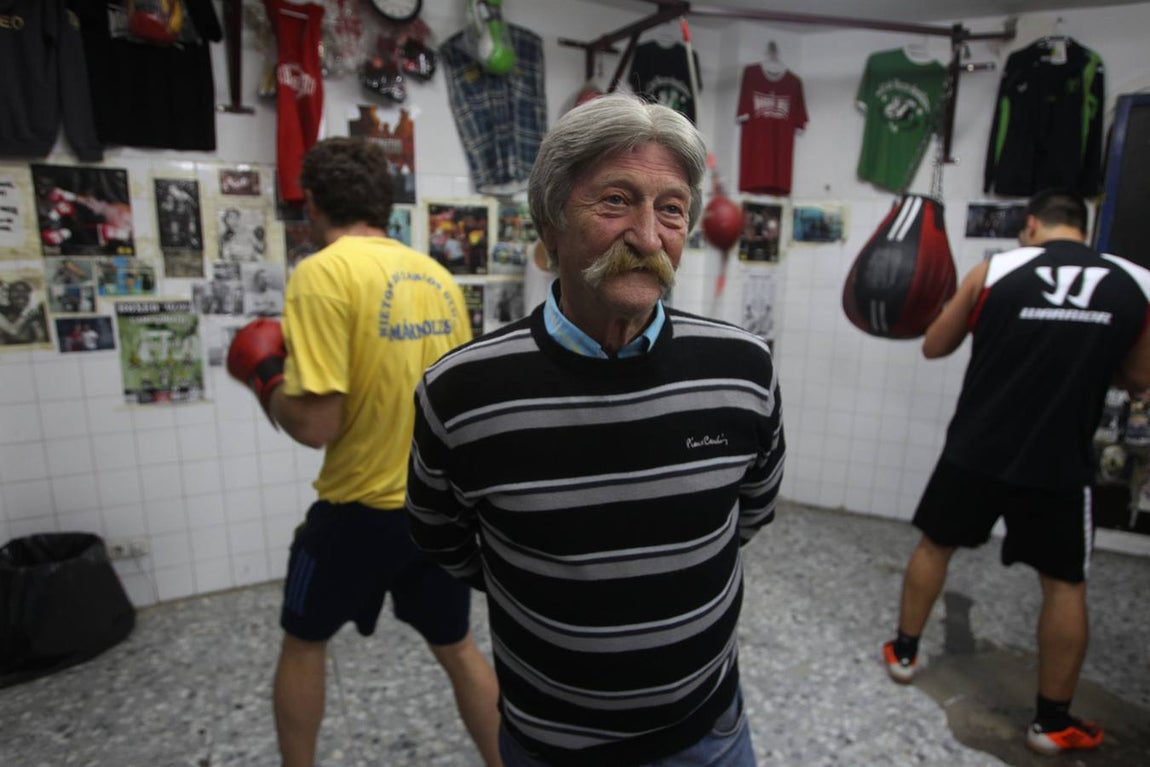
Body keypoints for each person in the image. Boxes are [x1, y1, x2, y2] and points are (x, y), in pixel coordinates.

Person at [405, 93, 786, 766]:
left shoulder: (744, 368)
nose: (648, 237)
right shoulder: (461, 391)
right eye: (616, 201)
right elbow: (444, 539)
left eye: (671, 209)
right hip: (552, 743)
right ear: (550, 226)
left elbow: (748, 513)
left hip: (708, 731)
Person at [225, 136, 502, 767]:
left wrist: (266, 381)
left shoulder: (322, 274)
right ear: (385, 203)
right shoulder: (437, 278)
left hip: (358, 511)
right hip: (436, 510)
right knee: (459, 648)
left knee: (302, 642)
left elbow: (317, 424)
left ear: (313, 203)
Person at [883, 189, 1150, 756]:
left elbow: (935, 345)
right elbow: (1139, 377)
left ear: (1031, 225)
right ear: (1084, 228)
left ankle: (904, 654)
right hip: (1059, 460)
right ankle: (1051, 724)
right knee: (1065, 584)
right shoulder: (1136, 282)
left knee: (936, 546)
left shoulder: (996, 271)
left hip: (976, 450)